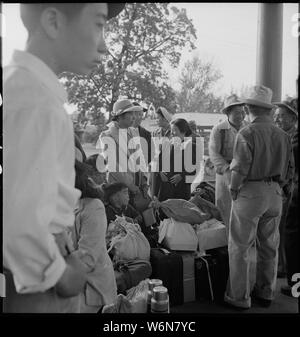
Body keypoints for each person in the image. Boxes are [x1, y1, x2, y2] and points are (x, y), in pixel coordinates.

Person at [3, 3, 125, 313]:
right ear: (54, 22)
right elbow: (20, 222)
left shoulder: (25, 89)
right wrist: (62, 274)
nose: (104, 45)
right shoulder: (37, 101)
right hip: (42, 285)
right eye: (98, 24)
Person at [224, 85, 295, 310]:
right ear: (268, 110)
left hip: (250, 192)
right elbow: (291, 170)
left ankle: (239, 297)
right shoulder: (283, 135)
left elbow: (240, 167)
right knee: (269, 246)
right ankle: (266, 293)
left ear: (248, 108)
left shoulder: (247, 132)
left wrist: (234, 189)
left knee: (240, 247)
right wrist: (281, 189)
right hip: (275, 193)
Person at [70, 164, 117, 313]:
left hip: (91, 286)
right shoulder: (62, 206)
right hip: (74, 279)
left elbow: (88, 257)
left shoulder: (93, 207)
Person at [98, 99, 149, 206]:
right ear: (120, 116)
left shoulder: (132, 132)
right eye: (130, 114)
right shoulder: (107, 136)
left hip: (137, 188)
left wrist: (144, 180)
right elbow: (113, 166)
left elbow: (139, 158)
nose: (134, 117)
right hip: (119, 191)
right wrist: (130, 185)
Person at [209, 94, 247, 231]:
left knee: (243, 209)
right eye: (237, 112)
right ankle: (227, 245)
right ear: (228, 113)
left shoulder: (248, 128)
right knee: (225, 208)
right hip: (225, 173)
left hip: (243, 173)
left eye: (243, 112)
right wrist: (227, 170)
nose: (241, 116)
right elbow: (214, 153)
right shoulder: (219, 129)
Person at [273, 99, 298, 278]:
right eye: (276, 116)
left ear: (293, 118)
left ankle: (284, 267)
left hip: (289, 189)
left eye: (282, 116)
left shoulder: (293, 139)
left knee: (286, 229)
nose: (278, 119)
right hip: (286, 188)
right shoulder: (283, 136)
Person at [157, 118, 197, 201]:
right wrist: (160, 172)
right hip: (165, 189)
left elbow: (193, 169)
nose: (172, 133)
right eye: (171, 130)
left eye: (174, 130)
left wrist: (181, 176)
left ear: (183, 131)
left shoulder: (191, 146)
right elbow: (159, 162)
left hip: (181, 190)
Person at [150, 106, 173, 198]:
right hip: (156, 170)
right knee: (154, 196)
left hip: (170, 171)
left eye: (158, 118)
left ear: (164, 119)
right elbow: (153, 153)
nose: (156, 120)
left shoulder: (174, 132)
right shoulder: (154, 133)